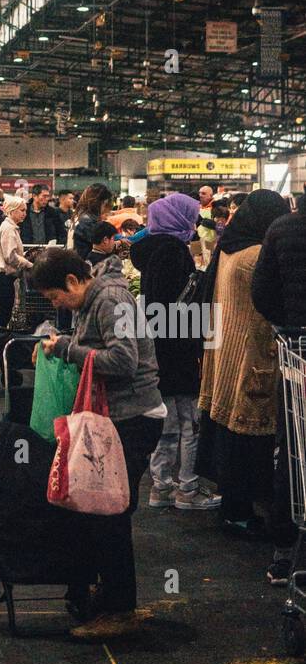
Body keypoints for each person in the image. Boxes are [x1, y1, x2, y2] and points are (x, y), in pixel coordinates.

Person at [30, 247, 164, 639]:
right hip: (119, 418)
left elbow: (123, 360)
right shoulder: (92, 300)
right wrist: (66, 341)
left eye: (57, 297)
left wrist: (70, 350)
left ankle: (120, 610)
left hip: (133, 417)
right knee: (105, 513)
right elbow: (100, 344)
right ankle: (113, 598)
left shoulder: (110, 299)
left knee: (110, 515)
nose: (59, 304)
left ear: (73, 281)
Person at [197, 189, 289, 538]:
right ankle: (241, 511)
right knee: (251, 441)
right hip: (252, 354)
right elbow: (273, 303)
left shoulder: (227, 249)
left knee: (229, 436)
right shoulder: (255, 256)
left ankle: (233, 508)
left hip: (224, 352)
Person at [130, 193, 219, 513]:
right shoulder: (175, 252)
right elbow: (183, 306)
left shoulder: (150, 249)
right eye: (190, 214)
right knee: (189, 421)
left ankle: (161, 485)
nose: (194, 220)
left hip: (157, 346)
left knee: (166, 421)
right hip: (180, 346)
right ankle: (188, 487)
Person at [251, 192, 306, 583]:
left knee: (295, 451)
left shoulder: (281, 228)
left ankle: (285, 551)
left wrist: (288, 328)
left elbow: (261, 292)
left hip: (298, 357)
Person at [0, 198, 33, 328]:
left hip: (2, 276)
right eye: (22, 210)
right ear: (12, 211)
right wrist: (28, 264)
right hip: (3, 276)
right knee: (4, 315)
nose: (24, 213)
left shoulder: (10, 227)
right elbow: (10, 256)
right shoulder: (9, 229)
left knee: (4, 314)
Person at [72, 183, 113, 260]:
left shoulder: (82, 216)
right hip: (87, 266)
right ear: (99, 203)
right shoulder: (88, 222)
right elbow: (102, 244)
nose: (104, 209)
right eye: (104, 204)